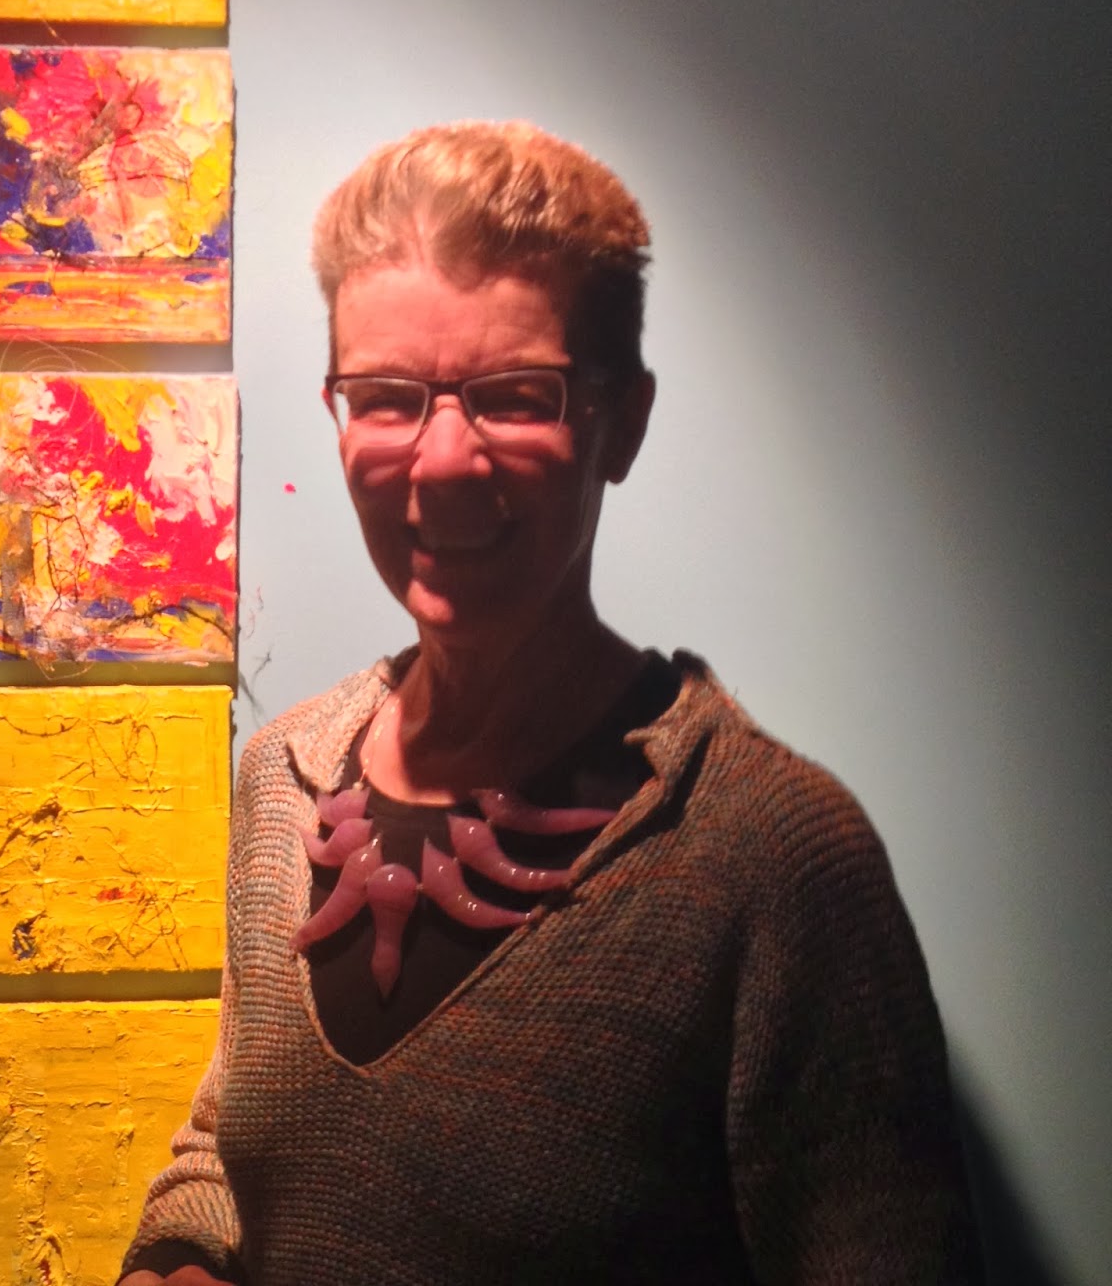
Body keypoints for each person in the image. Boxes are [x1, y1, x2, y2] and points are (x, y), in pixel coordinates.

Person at [118, 121, 980, 1285]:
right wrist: (176, 1259)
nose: (441, 462)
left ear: (621, 422)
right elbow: (234, 1150)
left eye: (515, 396)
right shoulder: (283, 777)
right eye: (386, 397)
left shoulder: (769, 858)